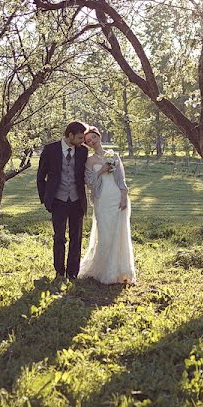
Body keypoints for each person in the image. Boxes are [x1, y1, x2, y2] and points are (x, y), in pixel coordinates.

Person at [78, 127, 136, 284]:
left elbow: (121, 178)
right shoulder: (89, 161)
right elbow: (89, 182)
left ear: (99, 136)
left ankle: (120, 270)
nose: (92, 142)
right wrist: (102, 170)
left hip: (117, 197)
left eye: (93, 138)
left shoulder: (113, 154)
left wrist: (124, 196)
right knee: (105, 232)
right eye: (88, 141)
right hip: (102, 199)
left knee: (120, 232)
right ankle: (104, 269)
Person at [37, 121, 89, 279]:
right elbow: (40, 176)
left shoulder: (83, 152)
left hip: (77, 200)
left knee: (76, 237)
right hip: (57, 201)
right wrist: (46, 199)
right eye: (80, 138)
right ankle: (59, 271)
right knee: (59, 237)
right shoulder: (50, 149)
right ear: (70, 135)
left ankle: (72, 273)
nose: (83, 141)